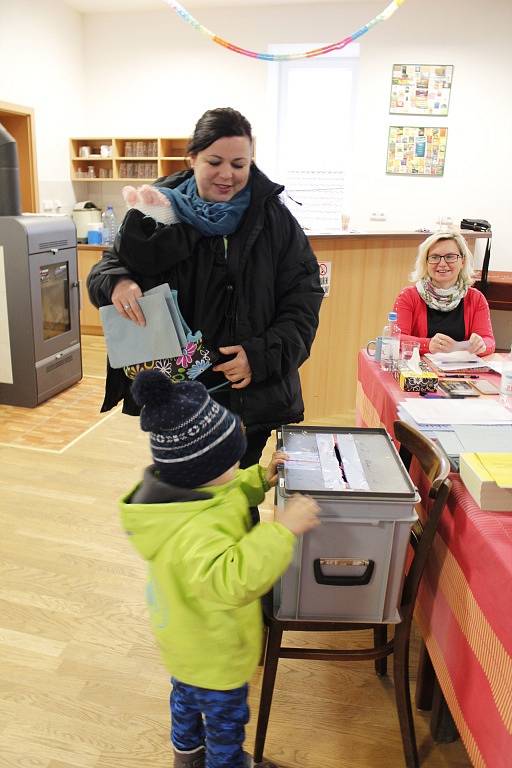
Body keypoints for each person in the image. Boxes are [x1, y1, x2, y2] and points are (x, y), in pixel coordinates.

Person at [87, 107, 323, 472]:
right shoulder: (157, 207)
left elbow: (303, 298)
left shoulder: (272, 218)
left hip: (250, 393)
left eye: (239, 164)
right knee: (186, 492)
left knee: (239, 492)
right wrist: (118, 281)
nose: (227, 175)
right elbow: (107, 264)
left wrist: (260, 357)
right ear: (192, 157)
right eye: (215, 161)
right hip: (177, 394)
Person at [120, 370, 320, 768]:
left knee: (184, 705)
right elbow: (233, 579)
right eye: (232, 459)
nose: (237, 464)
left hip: (184, 643)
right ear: (203, 468)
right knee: (225, 725)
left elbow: (227, 492)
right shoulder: (196, 530)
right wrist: (282, 532)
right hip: (214, 652)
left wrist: (259, 478)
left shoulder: (187, 496)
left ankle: (187, 756)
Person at [393, 230, 495, 356]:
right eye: (434, 257)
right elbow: (395, 339)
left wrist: (481, 345)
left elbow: (489, 342)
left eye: (450, 257)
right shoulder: (408, 296)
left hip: (462, 371)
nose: (442, 264)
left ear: (462, 261)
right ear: (426, 262)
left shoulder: (476, 299)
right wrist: (428, 345)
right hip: (420, 371)